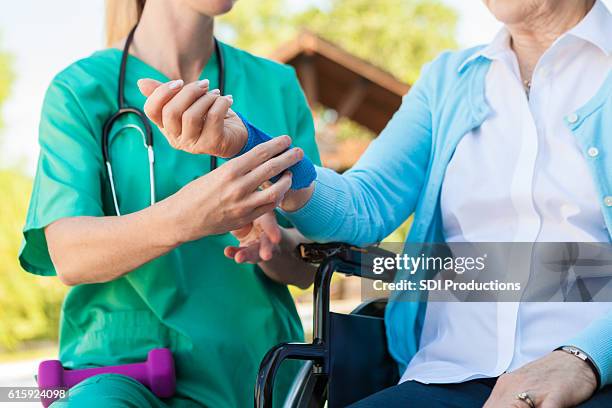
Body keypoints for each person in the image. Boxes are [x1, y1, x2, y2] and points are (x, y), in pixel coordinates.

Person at [149, 0, 612, 406]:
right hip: (442, 380)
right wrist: (248, 143)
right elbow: (364, 203)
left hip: (595, 378)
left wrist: (584, 359)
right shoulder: (449, 81)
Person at [19, 0, 320, 406]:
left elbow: (308, 267)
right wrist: (190, 216)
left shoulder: (277, 86)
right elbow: (69, 255)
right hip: (122, 376)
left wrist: (271, 246)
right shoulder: (80, 89)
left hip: (258, 378)